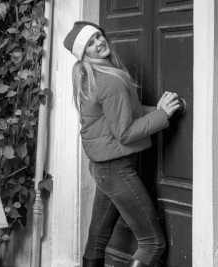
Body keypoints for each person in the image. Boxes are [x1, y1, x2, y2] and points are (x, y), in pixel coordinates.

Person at [63, 22, 180, 267]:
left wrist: (159, 110)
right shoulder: (110, 80)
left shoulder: (90, 76)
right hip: (116, 169)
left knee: (97, 239)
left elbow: (127, 114)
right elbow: (125, 133)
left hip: (103, 168)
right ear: (84, 54)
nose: (98, 42)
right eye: (91, 43)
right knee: (152, 243)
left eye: (98, 36)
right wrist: (163, 116)